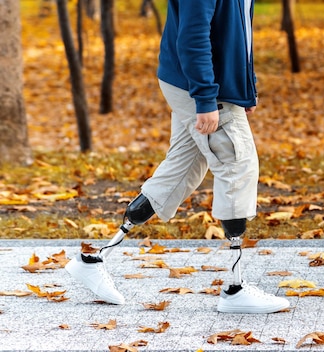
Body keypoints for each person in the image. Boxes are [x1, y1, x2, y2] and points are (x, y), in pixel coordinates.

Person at [65, 0, 290, 314]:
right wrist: (206, 98)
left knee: (180, 171)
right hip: (198, 85)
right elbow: (193, 35)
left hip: (203, 82)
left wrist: (245, 88)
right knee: (237, 166)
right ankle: (236, 290)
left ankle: (93, 260)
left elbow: (240, 28)